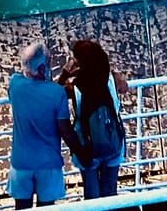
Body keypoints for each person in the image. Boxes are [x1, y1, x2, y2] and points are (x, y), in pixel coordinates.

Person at [8, 42, 83, 209]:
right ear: (42, 69)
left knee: (21, 207)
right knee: (47, 207)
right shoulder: (57, 93)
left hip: (21, 163)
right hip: (49, 164)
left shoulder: (15, 85)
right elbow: (65, 130)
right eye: (48, 62)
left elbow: (38, 87)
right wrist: (82, 152)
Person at [57, 39, 129, 199]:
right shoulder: (111, 80)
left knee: (91, 194)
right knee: (110, 192)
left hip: (87, 147)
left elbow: (55, 91)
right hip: (112, 141)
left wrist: (65, 74)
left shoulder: (74, 89)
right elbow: (125, 87)